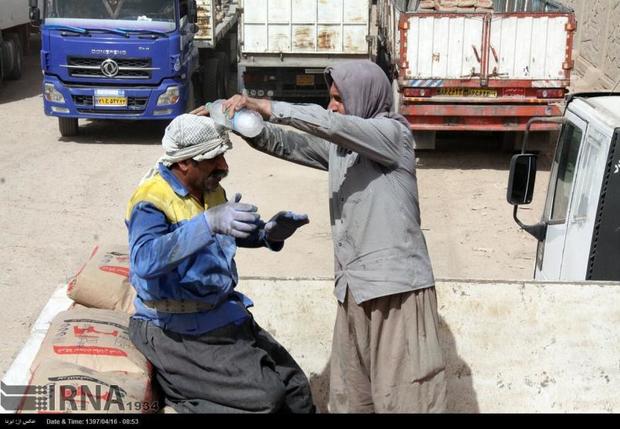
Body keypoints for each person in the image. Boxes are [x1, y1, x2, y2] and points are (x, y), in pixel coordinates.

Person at [219, 60, 447, 413]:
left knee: (406, 399)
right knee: (350, 399)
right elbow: (287, 144)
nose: (333, 107)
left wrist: (267, 105)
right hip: (354, 290)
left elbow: (331, 124)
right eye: (331, 99)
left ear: (364, 97)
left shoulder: (392, 135)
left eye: (339, 98)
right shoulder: (344, 150)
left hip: (396, 291)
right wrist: (232, 118)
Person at [125, 114, 315, 413]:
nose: (224, 167)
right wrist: (207, 224)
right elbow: (144, 261)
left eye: (222, 156)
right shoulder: (151, 200)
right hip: (174, 329)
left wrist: (266, 234)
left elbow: (225, 233)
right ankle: (181, 397)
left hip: (220, 313)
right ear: (185, 162)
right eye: (214, 159)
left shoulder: (211, 188)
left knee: (295, 392)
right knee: (265, 401)